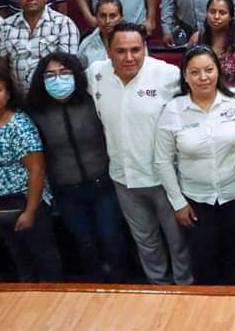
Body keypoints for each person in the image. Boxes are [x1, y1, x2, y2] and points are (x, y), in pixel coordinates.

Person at [89, 22, 193, 285]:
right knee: (146, 242)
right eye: (121, 51)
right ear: (108, 51)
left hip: (166, 179)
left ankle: (185, 288)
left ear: (145, 48)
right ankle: (158, 288)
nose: (129, 57)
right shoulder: (95, 74)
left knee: (178, 241)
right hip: (123, 179)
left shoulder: (167, 74)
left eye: (136, 50)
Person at [154, 46, 235, 285]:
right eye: (195, 72)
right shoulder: (173, 110)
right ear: (185, 76)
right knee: (205, 265)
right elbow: (163, 161)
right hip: (197, 202)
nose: (203, 77)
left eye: (209, 70)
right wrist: (178, 203)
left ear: (218, 71)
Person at [25, 52, 128, 283]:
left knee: (112, 238)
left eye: (64, 72)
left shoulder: (91, 101)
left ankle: (120, 284)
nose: (58, 79)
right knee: (85, 243)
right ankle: (94, 287)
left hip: (102, 185)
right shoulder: (36, 111)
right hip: (66, 190)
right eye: (50, 75)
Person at [0, 63, 62, 282]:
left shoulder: (19, 125)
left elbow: (37, 169)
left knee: (44, 260)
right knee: (21, 260)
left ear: (8, 93)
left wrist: (30, 211)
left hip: (26, 205)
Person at [0, 0, 79, 97]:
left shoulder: (63, 24)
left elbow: (69, 66)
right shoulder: (6, 26)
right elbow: (1, 65)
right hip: (20, 97)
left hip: (53, 97)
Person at [189, 0, 235, 90]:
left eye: (222, 13)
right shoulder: (196, 39)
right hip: (203, 93)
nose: (216, 17)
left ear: (230, 17)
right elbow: (188, 71)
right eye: (212, 12)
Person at [77, 0, 122, 68]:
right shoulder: (86, 44)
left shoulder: (132, 41)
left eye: (112, 16)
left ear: (121, 18)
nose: (107, 21)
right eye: (103, 16)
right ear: (96, 17)